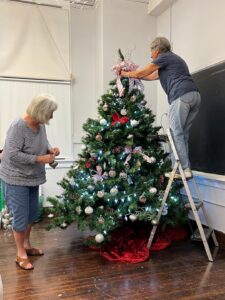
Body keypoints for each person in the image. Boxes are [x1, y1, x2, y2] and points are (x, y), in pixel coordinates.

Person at [121, 36, 201, 179]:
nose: (150, 55)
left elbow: (142, 72)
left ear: (157, 49)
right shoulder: (173, 60)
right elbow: (150, 76)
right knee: (183, 134)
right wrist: (135, 77)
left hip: (180, 96)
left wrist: (125, 74)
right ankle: (185, 167)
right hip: (194, 96)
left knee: (175, 133)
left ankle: (183, 169)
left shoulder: (164, 57)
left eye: (151, 51)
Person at [0, 93, 60, 270]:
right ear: (41, 111)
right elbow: (12, 154)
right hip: (15, 178)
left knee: (31, 214)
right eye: (50, 113)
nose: (51, 117)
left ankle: (26, 245)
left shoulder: (40, 126)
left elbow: (43, 142)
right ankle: (20, 254)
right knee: (20, 217)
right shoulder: (18, 126)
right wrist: (40, 159)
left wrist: (51, 149)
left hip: (33, 177)